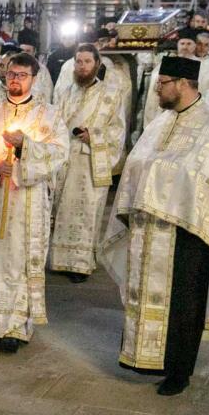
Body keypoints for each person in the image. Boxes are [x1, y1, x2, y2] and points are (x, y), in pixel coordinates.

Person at [100, 56, 209, 396]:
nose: (156, 91)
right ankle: (148, 359)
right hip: (150, 226)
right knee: (148, 295)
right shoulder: (160, 121)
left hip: (190, 228)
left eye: (162, 83)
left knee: (184, 301)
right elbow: (138, 161)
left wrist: (162, 175)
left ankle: (180, 371)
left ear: (182, 83)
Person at [0, 52, 68, 352]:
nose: (15, 80)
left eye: (22, 75)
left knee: (20, 261)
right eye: (11, 74)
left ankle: (14, 328)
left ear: (34, 78)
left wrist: (26, 149)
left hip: (28, 201)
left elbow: (60, 152)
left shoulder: (49, 114)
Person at [49, 45, 128, 282]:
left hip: (91, 161)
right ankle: (60, 261)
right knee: (61, 211)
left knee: (85, 213)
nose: (82, 66)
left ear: (97, 64)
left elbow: (118, 131)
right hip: (65, 160)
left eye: (87, 62)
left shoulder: (111, 95)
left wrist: (93, 136)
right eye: (78, 62)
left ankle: (80, 265)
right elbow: (52, 123)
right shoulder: (65, 92)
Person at [142, 30, 200, 132]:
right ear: (177, 45)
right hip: (164, 116)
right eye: (182, 43)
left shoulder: (202, 66)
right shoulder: (165, 64)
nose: (185, 47)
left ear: (195, 46)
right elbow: (153, 96)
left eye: (189, 43)